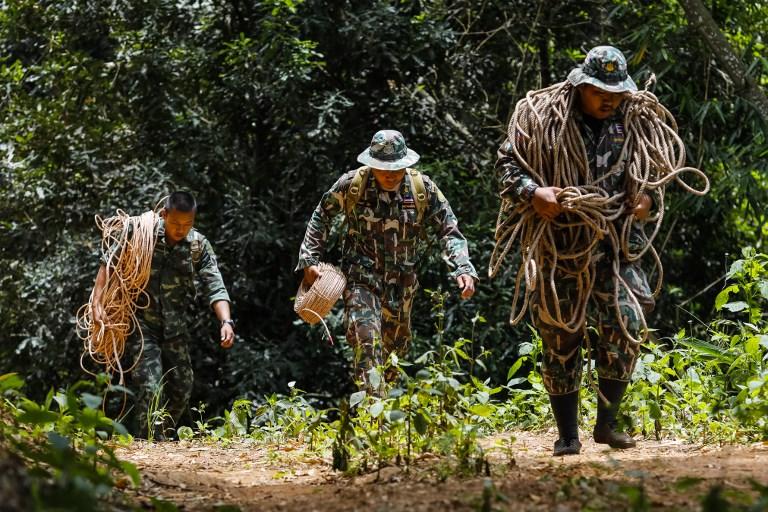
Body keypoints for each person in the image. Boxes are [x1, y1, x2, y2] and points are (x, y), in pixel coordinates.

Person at [495, 46, 655, 455]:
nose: (609, 99)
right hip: (561, 245)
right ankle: (568, 434)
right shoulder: (545, 118)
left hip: (617, 246)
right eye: (600, 91)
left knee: (628, 323)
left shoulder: (633, 119)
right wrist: (533, 193)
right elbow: (505, 166)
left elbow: (650, 172)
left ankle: (607, 424)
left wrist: (646, 199)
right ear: (581, 85)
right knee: (560, 334)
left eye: (617, 92)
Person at [296, 130, 478, 386]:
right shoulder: (352, 185)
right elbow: (321, 216)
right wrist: (309, 259)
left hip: (402, 285)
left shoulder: (421, 189)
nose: (390, 174)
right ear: (371, 163)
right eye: (383, 168)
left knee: (395, 353)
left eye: (396, 167)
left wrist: (463, 267)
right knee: (366, 341)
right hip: (360, 280)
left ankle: (381, 413)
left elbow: (448, 228)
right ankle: (372, 416)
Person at [90, 191, 234, 438]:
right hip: (141, 325)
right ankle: (150, 444)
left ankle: (160, 437)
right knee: (151, 386)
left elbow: (215, 284)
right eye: (176, 223)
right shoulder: (139, 233)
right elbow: (108, 263)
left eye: (187, 224)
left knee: (182, 388)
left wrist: (226, 321)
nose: (181, 229)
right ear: (164, 214)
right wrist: (97, 302)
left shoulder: (198, 245)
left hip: (175, 329)